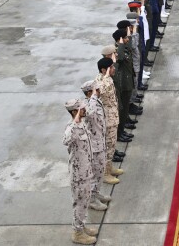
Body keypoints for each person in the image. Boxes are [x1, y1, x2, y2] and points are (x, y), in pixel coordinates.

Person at [62, 98, 98, 245]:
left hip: (86, 170)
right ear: (75, 111)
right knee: (80, 203)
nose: (85, 110)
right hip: (79, 175)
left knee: (85, 201)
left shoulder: (82, 124)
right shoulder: (72, 127)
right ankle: (77, 233)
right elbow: (65, 140)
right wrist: (75, 122)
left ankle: (82, 226)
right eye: (82, 109)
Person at [80, 81, 110, 212]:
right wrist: (92, 97)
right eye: (96, 90)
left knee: (100, 171)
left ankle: (96, 193)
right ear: (89, 93)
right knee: (95, 172)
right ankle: (92, 199)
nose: (99, 91)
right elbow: (90, 114)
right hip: (94, 146)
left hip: (100, 141)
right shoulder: (87, 105)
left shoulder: (96, 101)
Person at [95, 58, 123, 185]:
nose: (114, 69)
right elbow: (100, 91)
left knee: (112, 146)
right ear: (104, 70)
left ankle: (109, 168)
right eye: (111, 67)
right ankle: (105, 174)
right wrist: (106, 77)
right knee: (108, 147)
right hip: (108, 120)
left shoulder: (107, 79)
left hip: (113, 118)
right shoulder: (100, 81)